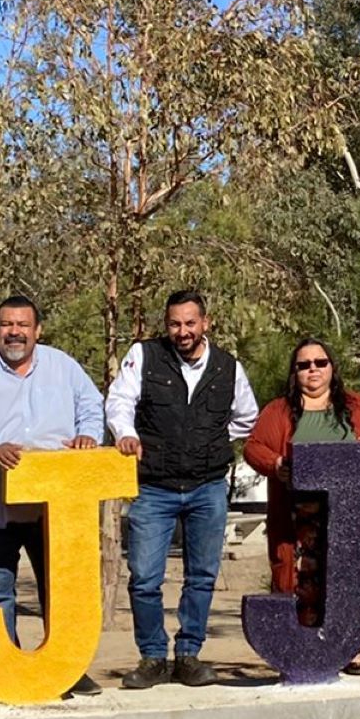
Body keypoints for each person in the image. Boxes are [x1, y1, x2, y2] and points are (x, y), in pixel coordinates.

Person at [0, 295, 106, 694]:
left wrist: (88, 435)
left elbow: (91, 406)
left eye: (22, 325)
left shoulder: (64, 367)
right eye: (6, 325)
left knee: (62, 591)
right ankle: (9, 678)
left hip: (54, 508)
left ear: (37, 330)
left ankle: (66, 668)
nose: (14, 332)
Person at [105, 289, 260, 689]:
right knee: (144, 578)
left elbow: (247, 417)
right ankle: (152, 657)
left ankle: (189, 655)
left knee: (202, 576)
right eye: (175, 323)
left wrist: (209, 439)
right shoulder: (144, 356)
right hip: (153, 487)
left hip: (207, 486)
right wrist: (125, 433)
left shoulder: (229, 367)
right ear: (167, 324)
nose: (182, 331)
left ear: (205, 323)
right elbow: (119, 401)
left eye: (190, 323)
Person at [242, 337, 360, 673]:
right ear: (294, 372)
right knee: (304, 583)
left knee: (350, 582)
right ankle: (306, 653)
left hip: (349, 517)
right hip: (299, 519)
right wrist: (276, 463)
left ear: (331, 367)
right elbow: (253, 447)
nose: (312, 370)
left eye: (320, 363)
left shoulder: (355, 406)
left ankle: (351, 651)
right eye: (304, 365)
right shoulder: (279, 410)